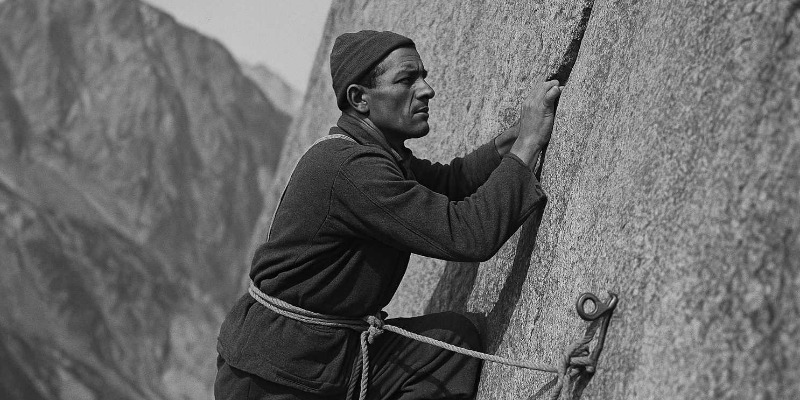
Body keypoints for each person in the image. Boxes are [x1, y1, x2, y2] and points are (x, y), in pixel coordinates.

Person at [215, 30, 563, 400]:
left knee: (448, 346)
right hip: (275, 379)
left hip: (319, 360)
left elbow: (451, 181)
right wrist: (528, 145)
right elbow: (469, 234)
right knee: (449, 349)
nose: (426, 89)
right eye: (406, 80)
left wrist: (514, 136)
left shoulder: (371, 154)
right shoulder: (352, 168)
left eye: (423, 76)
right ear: (360, 99)